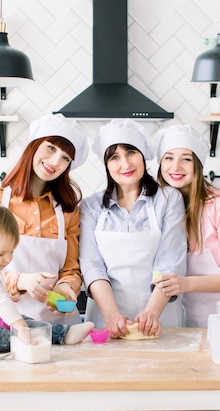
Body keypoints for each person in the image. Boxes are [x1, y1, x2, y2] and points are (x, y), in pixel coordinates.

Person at [0, 114, 90, 325]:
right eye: (51, 148)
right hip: (1, 321)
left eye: (66, 158)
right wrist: (21, 280)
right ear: (33, 146)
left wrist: (66, 286)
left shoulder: (67, 209)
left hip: (55, 323)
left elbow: (71, 269)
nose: (56, 161)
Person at [79, 119, 187, 339]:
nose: (125, 164)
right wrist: (111, 316)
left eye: (131, 153)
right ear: (106, 164)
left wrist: (151, 313)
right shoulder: (91, 206)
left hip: (160, 317)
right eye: (114, 157)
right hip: (105, 319)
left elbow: (169, 261)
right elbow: (92, 266)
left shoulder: (168, 199)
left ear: (143, 156)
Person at [0, 205, 94, 353]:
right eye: (0, 254)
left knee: (24, 320)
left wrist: (20, 323)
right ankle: (25, 338)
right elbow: (0, 301)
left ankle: (64, 334)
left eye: (11, 252)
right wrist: (19, 327)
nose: (7, 259)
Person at [153, 124, 220, 329]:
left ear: (198, 165)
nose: (175, 167)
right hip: (191, 322)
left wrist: (186, 284)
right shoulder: (163, 208)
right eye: (168, 158)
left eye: (186, 159)